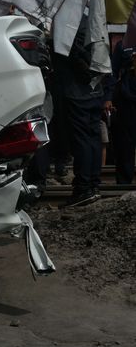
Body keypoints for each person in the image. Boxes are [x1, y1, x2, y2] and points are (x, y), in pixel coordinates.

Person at [54, 17, 112, 207]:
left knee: (83, 140)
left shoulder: (71, 23)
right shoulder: (93, 21)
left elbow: (71, 54)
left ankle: (84, 187)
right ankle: (92, 185)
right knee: (93, 138)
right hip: (95, 90)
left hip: (78, 92)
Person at [110, 39, 136, 183]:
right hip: (127, 99)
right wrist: (109, 98)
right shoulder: (124, 45)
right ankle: (124, 182)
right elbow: (113, 72)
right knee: (124, 144)